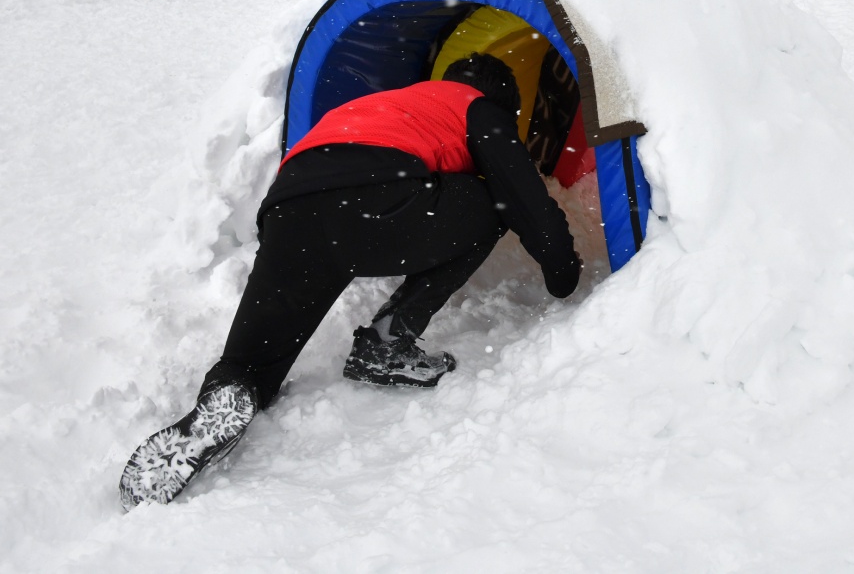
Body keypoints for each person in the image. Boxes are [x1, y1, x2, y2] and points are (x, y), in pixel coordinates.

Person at [118, 54, 582, 509]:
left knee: (254, 360)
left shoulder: (396, 100)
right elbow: (526, 201)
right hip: (371, 198)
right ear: (501, 99)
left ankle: (228, 393)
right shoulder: (477, 106)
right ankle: (386, 343)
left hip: (291, 207)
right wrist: (564, 274)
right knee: (489, 203)